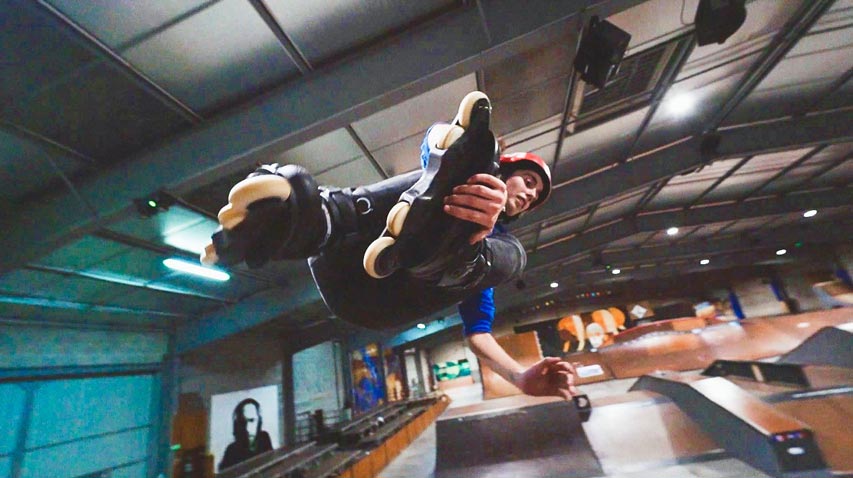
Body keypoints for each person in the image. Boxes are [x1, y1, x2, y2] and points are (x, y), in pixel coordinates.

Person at [204, 92, 579, 402]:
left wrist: (519, 378)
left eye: (535, 197)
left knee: (512, 257)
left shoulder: (501, 246)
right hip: (340, 255)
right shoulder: (457, 181)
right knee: (437, 181)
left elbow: (478, 332)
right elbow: (437, 149)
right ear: (508, 171)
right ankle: (313, 216)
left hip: (385, 302)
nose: (529, 194)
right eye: (528, 182)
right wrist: (461, 155)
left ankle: (446, 252)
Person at [219, 398, 273, 471]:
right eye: (243, 422)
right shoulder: (231, 450)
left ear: (259, 421)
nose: (247, 428)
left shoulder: (264, 438)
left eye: (251, 420)